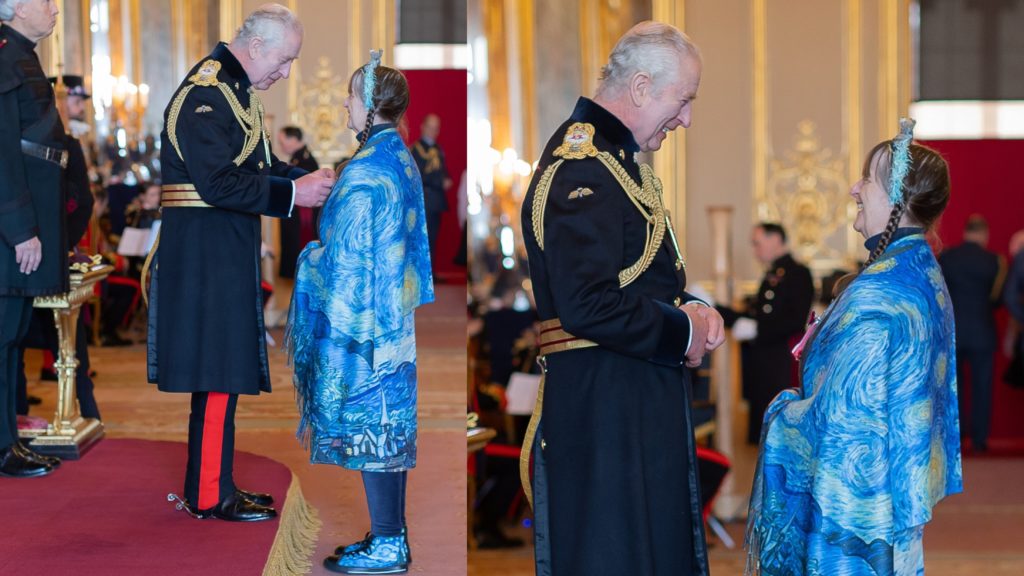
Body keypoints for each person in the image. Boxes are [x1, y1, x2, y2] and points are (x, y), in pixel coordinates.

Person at [519, 22, 724, 576]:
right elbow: (589, 304)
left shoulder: (615, 163)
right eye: (682, 101)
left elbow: (643, 281)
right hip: (605, 414)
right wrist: (685, 333)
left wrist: (695, 311)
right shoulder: (581, 169)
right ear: (640, 88)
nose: (686, 119)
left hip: (629, 401)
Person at [746, 119, 963, 575]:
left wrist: (782, 411)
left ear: (896, 199)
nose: (853, 188)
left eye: (866, 178)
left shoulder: (877, 295)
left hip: (862, 519)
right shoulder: (920, 272)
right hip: (895, 503)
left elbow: (843, 425)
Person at [148, 3, 333, 521]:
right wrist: (294, 195)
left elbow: (259, 164)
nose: (286, 71)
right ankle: (208, 494)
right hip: (206, 255)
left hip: (223, 248)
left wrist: (304, 180)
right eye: (284, 60)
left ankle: (218, 483)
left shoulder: (235, 91)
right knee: (217, 370)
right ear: (256, 48)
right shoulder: (206, 94)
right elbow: (218, 183)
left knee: (225, 370)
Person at [287, 51, 433, 574]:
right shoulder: (400, 157)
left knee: (375, 426)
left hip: (366, 324)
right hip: (392, 316)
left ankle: (391, 544)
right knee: (388, 425)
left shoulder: (366, 170)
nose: (344, 106)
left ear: (370, 106)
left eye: (350, 98)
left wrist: (310, 259)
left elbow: (344, 259)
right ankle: (388, 533)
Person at [0, 0, 66, 478]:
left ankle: (8, 443)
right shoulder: (4, 55)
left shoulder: (20, 53)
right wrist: (22, 229)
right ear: (19, 8)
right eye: (46, 1)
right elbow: (2, 153)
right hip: (10, 231)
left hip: (25, 224)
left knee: (12, 339)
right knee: (3, 339)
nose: (55, 8)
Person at [16, 73, 99, 420]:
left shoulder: (68, 145)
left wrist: (62, 243)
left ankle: (88, 413)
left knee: (70, 345)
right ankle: (15, 420)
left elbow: (82, 202)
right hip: (15, 259)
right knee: (13, 346)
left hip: (56, 255)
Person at [717, 223, 814, 443]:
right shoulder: (772, 273)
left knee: (777, 429)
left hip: (780, 359)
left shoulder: (798, 273)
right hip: (763, 359)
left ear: (776, 240)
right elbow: (757, 314)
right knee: (761, 425)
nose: (755, 250)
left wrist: (758, 329)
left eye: (757, 243)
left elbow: (794, 319)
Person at [938, 215, 1005, 452]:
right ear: (984, 234)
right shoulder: (994, 261)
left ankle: (955, 438)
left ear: (965, 232)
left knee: (952, 388)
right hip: (983, 332)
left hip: (952, 331)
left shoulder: (947, 258)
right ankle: (979, 439)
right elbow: (998, 299)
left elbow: (939, 296)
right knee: (982, 387)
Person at [276, 125, 320, 278]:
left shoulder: (305, 160)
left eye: (282, 142)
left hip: (301, 223)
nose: (281, 146)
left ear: (293, 139)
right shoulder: (298, 158)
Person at [410, 113, 451, 265]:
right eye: (430, 127)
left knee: (433, 238)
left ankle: (431, 271)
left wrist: (447, 179)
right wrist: (441, 182)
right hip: (424, 200)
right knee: (422, 238)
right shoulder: (416, 149)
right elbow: (419, 175)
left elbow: (442, 170)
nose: (433, 132)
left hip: (436, 202)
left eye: (436, 129)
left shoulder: (438, 149)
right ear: (423, 127)